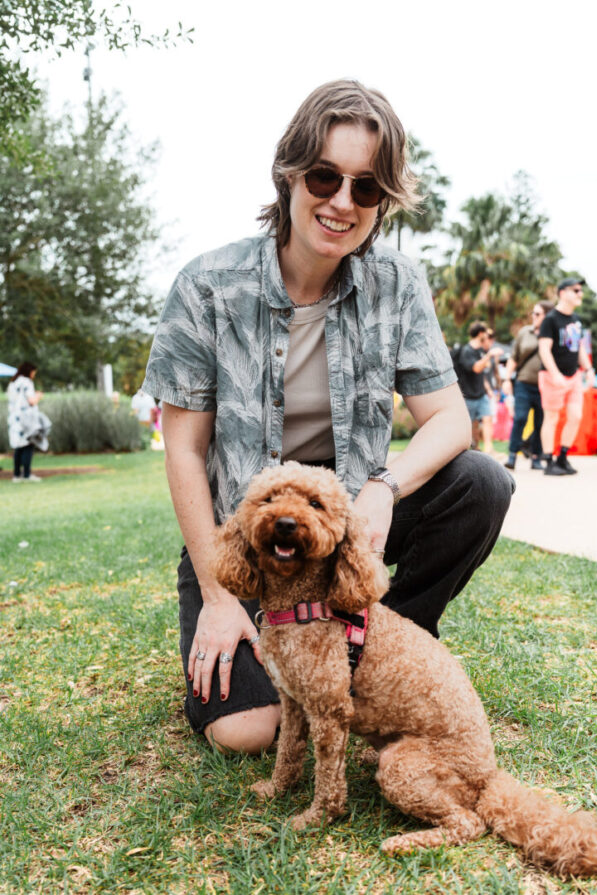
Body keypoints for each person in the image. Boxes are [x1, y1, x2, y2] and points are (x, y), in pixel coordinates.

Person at [143, 79, 514, 755]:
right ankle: (283, 652)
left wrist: (383, 487)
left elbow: (451, 421)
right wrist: (220, 599)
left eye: (366, 188)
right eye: (325, 177)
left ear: (383, 201)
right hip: (253, 541)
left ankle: (383, 654)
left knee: (482, 483)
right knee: (246, 732)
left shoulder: (397, 285)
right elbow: (184, 451)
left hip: (347, 531)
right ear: (289, 173)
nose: (342, 202)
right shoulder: (206, 286)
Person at [537, 278, 595, 475]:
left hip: (574, 375)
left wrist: (588, 369)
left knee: (575, 416)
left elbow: (578, 347)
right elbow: (544, 349)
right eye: (575, 290)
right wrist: (555, 374)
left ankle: (562, 457)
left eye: (580, 290)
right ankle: (548, 461)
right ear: (562, 293)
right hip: (552, 376)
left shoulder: (575, 319)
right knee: (551, 417)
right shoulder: (551, 319)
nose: (580, 294)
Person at [502, 300, 555, 470]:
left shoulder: (553, 334)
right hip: (523, 383)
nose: (533, 316)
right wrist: (507, 379)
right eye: (533, 313)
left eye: (537, 314)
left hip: (544, 386)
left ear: (547, 316)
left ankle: (536, 457)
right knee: (520, 418)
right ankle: (512, 455)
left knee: (541, 422)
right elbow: (513, 357)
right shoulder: (525, 332)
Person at [457, 322, 503, 455]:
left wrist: (488, 388)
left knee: (487, 418)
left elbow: (483, 373)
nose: (488, 337)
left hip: (481, 393)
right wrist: (489, 356)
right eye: (486, 334)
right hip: (468, 394)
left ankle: (489, 449)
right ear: (480, 334)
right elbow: (476, 368)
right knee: (472, 425)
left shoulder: (481, 351)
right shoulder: (467, 351)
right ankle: (475, 449)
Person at [7, 362, 43, 482]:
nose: (34, 375)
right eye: (33, 373)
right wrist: (38, 396)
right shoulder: (27, 382)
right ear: (29, 371)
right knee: (28, 445)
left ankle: (17, 475)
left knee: (18, 447)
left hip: (14, 419)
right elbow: (31, 401)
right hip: (26, 419)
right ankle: (27, 474)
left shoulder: (13, 383)